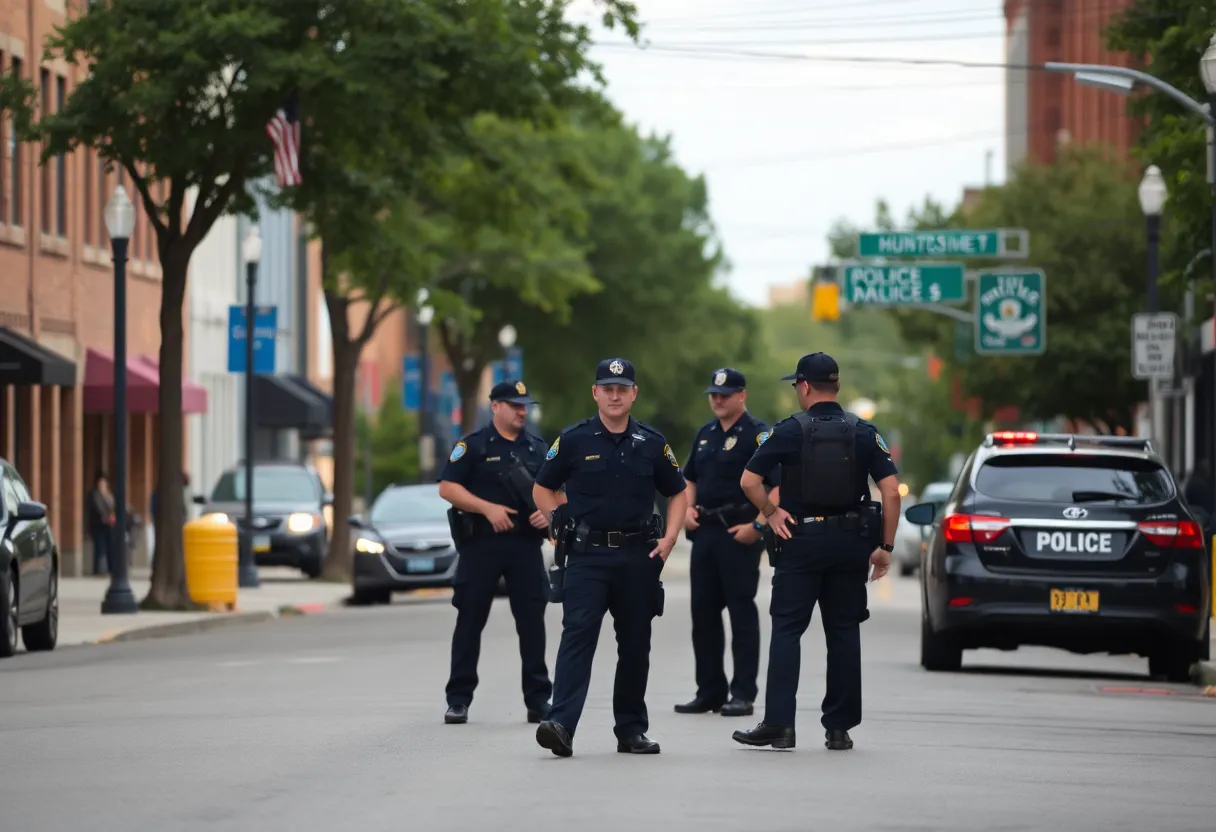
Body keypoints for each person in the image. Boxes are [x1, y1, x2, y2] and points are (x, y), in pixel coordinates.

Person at [731, 352, 900, 752]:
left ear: (805, 386)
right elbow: (891, 490)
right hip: (849, 545)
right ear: (836, 386)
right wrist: (885, 548)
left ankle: (780, 725)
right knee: (843, 630)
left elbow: (749, 480)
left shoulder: (788, 431)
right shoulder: (863, 431)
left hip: (800, 542)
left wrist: (771, 514)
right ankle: (839, 728)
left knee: (788, 629)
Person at [531, 357, 689, 757]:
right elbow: (542, 488)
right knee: (577, 636)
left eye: (622, 388)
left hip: (638, 557)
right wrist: (557, 526)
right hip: (587, 557)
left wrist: (670, 538)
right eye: (607, 388)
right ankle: (561, 724)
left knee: (635, 644)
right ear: (595, 393)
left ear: (633, 393)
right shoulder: (573, 439)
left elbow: (678, 492)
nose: (615, 395)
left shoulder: (652, 443)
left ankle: (631, 730)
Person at [437, 379, 554, 726]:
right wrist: (487, 509)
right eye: (514, 406)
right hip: (482, 546)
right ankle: (458, 700)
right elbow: (447, 487)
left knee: (532, 623)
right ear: (495, 407)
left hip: (525, 546)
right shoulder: (472, 446)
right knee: (470, 621)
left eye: (525, 406)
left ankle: (538, 700)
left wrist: (545, 513)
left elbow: (555, 491)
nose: (522, 412)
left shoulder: (537, 448)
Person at [675, 367, 780, 718]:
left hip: (740, 533)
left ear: (742, 395)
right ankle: (709, 690)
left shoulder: (758, 435)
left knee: (741, 614)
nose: (718, 400)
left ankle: (743, 693)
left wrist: (760, 525)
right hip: (705, 532)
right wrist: (688, 508)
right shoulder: (704, 434)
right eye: (714, 394)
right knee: (702, 615)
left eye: (725, 394)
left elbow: (779, 486)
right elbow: (688, 478)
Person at [86, 471, 115, 576]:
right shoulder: (95, 494)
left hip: (108, 525)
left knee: (109, 547)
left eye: (104, 482)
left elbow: (112, 505)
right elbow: (98, 508)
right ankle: (98, 569)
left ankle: (110, 568)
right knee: (99, 547)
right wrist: (106, 517)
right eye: (101, 482)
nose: (102, 484)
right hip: (98, 525)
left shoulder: (108, 494)